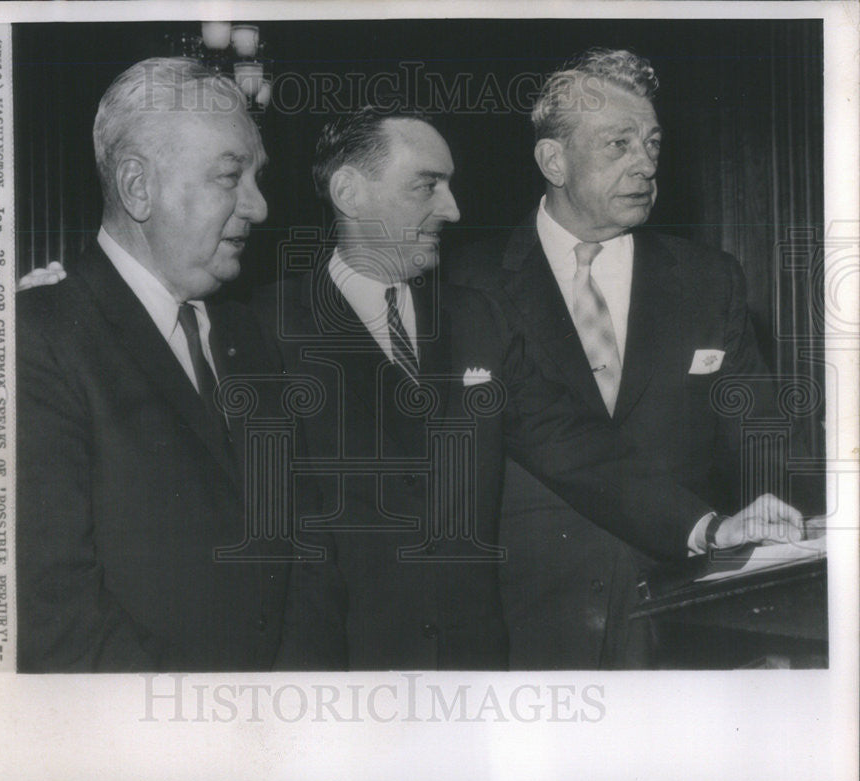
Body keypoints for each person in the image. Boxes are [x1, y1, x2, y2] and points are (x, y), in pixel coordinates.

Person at [249, 107, 806, 670]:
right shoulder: (261, 330)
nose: (452, 208)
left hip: (475, 673)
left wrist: (707, 527)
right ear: (349, 191)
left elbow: (573, 444)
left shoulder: (475, 320)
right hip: (339, 677)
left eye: (450, 185)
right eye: (427, 186)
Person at [448, 48, 824, 668]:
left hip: (685, 611)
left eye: (652, 143)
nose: (645, 164)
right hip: (521, 622)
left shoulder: (708, 280)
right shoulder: (467, 283)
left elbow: (758, 436)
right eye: (618, 145)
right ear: (554, 160)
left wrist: (767, 580)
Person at [16, 57, 299, 671]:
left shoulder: (250, 338)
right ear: (138, 187)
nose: (259, 207)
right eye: (230, 177)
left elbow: (300, 558)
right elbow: (55, 612)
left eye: (257, 177)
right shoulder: (38, 340)